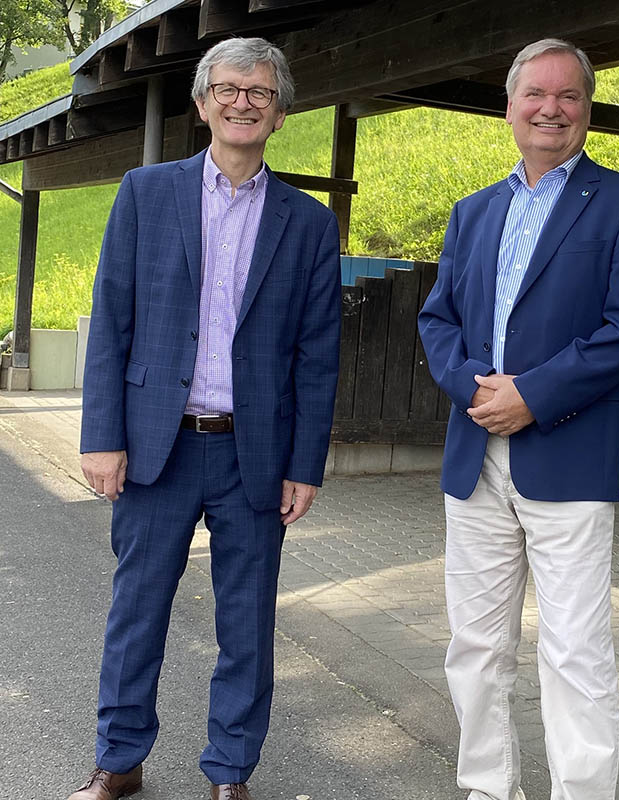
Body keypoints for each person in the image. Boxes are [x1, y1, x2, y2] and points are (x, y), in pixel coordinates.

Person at [70, 37, 341, 800]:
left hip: (253, 453)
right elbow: (112, 319)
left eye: (258, 91)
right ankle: (118, 762)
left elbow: (318, 358)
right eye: (227, 88)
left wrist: (304, 464)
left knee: (247, 627)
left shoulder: (309, 224)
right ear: (202, 104)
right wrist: (102, 436)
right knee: (137, 611)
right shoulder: (145, 193)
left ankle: (230, 773)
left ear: (280, 112)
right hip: (156, 446)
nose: (242, 101)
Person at [418, 37, 619, 800]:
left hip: (567, 454)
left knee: (574, 649)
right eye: (536, 94)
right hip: (475, 456)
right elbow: (439, 321)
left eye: (568, 97)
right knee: (476, 644)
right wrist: (474, 388)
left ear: (587, 111)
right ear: (510, 106)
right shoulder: (473, 212)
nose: (551, 109)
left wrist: (532, 395)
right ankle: (489, 787)